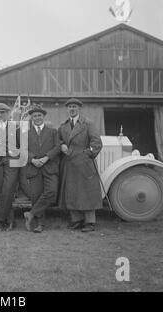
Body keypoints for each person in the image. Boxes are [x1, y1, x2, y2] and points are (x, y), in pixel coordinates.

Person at [58, 98, 103, 232]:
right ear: (67, 109)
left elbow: (97, 143)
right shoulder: (63, 125)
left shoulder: (87, 123)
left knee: (86, 192)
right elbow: (58, 139)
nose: (72, 109)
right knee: (72, 192)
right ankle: (76, 220)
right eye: (70, 107)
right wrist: (62, 146)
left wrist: (86, 155)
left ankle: (89, 222)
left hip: (84, 163)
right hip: (69, 163)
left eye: (74, 107)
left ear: (79, 109)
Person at [23, 105, 60, 233]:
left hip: (49, 167)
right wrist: (32, 159)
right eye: (34, 116)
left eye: (39, 115)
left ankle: (31, 214)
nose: (37, 118)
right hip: (34, 168)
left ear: (43, 116)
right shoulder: (27, 134)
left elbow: (57, 147)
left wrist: (46, 158)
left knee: (52, 192)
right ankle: (40, 224)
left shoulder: (53, 132)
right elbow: (23, 150)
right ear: (32, 118)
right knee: (36, 196)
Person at [0, 103, 20, 231]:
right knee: (2, 192)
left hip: (11, 162)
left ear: (8, 114)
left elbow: (21, 145)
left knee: (7, 190)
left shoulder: (15, 127)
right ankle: (11, 220)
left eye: (3, 113)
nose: (0, 115)